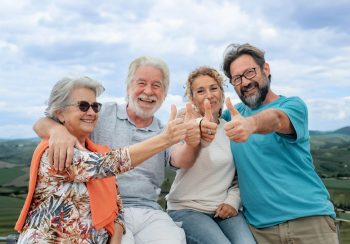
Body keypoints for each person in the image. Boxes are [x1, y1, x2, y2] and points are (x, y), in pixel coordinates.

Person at [33, 57, 189, 244]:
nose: (91, 112)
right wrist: (55, 129)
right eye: (141, 83)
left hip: (133, 212)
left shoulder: (95, 136)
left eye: (156, 85)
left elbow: (111, 185)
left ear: (164, 93)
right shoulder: (66, 149)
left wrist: (193, 140)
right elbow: (110, 164)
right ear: (128, 87)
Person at [206, 43, 338, 244]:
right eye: (237, 78)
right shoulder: (231, 116)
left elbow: (277, 119)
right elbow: (206, 122)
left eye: (250, 73)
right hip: (260, 232)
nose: (245, 82)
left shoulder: (293, 105)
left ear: (265, 70)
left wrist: (251, 124)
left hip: (309, 222)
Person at [167, 66, 256, 244]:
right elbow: (176, 160)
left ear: (222, 93)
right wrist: (197, 130)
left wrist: (233, 201)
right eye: (200, 91)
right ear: (192, 98)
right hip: (186, 208)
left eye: (214, 88)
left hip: (221, 209)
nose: (209, 95)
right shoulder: (184, 124)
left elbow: (240, 175)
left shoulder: (230, 128)